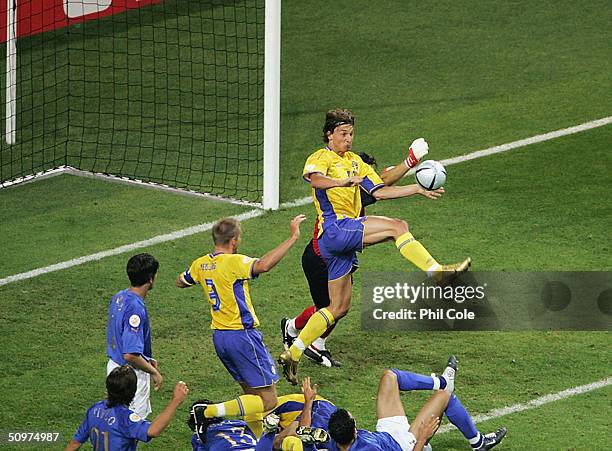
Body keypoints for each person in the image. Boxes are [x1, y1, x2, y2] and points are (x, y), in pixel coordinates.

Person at [279, 108, 470, 384]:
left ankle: (294, 352)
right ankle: (437, 272)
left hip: (339, 244)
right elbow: (314, 179)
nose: (348, 139)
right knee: (398, 227)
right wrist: (341, 181)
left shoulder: (357, 162)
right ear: (329, 134)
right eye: (343, 134)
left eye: (351, 134)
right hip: (334, 228)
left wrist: (415, 188)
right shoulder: (321, 158)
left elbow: (379, 190)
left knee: (338, 307)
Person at [281, 150, 426, 367]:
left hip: (340, 251)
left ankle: (316, 344)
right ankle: (293, 328)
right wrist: (409, 162)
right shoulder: (351, 188)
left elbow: (380, 183)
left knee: (338, 307)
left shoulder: (356, 192)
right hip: (320, 258)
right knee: (330, 308)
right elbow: (383, 183)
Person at [177, 215, 306, 436]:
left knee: (250, 397)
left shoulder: (201, 263)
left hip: (220, 337)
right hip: (242, 337)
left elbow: (182, 280)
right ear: (234, 240)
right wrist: (293, 237)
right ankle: (208, 412)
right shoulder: (233, 262)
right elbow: (263, 265)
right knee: (268, 400)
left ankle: (257, 441)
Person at [326, 356, 507, 451]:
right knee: (444, 397)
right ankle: (478, 443)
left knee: (389, 376)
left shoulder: (334, 443)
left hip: (385, 434)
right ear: (354, 431)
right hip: (405, 444)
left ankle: (443, 380)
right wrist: (421, 439)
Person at [65, 365, 189, 450]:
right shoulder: (125, 419)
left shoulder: (94, 409)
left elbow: (75, 443)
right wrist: (175, 401)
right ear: (133, 391)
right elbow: (153, 430)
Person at [188, 378, 328, 451]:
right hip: (256, 444)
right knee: (280, 440)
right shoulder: (239, 423)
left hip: (256, 443)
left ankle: (273, 432)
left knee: (279, 440)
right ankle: (303, 444)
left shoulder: (200, 437)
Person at [107, 253, 162, 418]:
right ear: (151, 279)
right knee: (132, 426)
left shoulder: (119, 296)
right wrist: (153, 372)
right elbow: (130, 354)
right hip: (130, 376)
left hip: (114, 369)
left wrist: (146, 358)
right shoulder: (135, 308)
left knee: (117, 422)